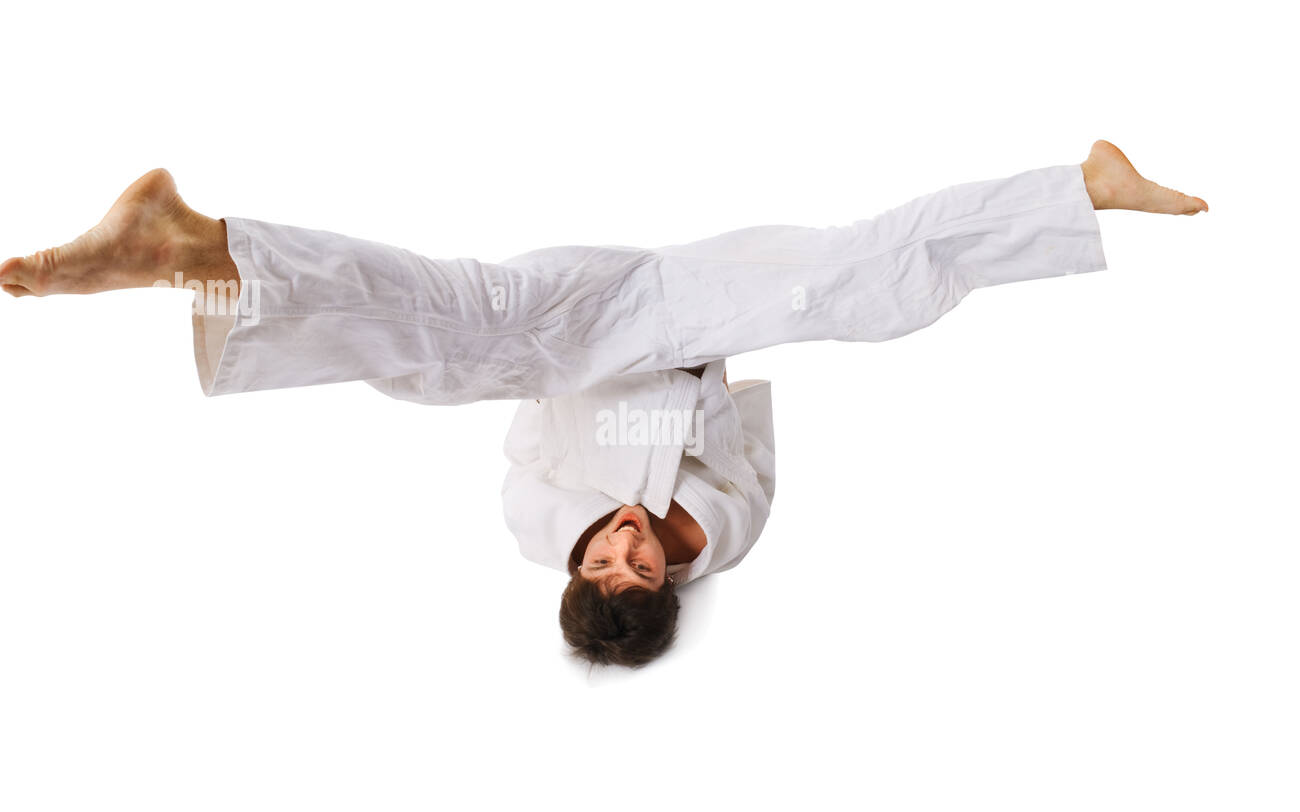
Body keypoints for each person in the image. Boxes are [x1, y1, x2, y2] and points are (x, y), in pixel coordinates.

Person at [0, 140, 1207, 668]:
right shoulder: (721, 530)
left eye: (606, 567)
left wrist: (596, 459)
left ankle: (202, 249)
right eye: (644, 568)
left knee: (440, 355)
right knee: (850, 287)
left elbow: (526, 419)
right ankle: (1076, 190)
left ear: (577, 573)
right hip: (682, 318)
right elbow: (739, 413)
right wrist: (674, 489)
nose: (628, 547)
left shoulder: (537, 514)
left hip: (574, 328)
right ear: (668, 581)